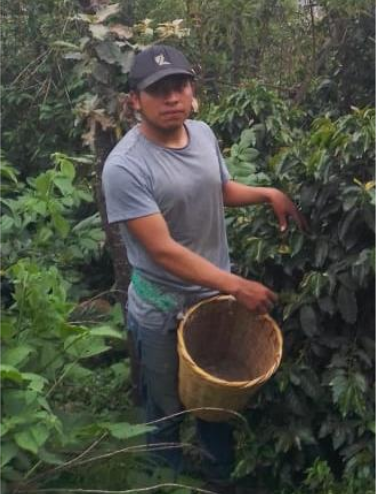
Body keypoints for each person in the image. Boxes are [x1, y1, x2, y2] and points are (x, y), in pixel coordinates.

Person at [102, 44, 306, 486]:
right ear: (134, 100)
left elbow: (219, 189)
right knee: (164, 405)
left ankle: (219, 477)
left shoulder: (204, 134)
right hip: (160, 305)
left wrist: (267, 193)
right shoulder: (125, 166)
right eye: (158, 90)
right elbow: (163, 251)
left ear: (192, 90)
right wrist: (236, 284)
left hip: (211, 298)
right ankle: (167, 478)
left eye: (179, 86)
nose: (172, 97)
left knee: (215, 397)